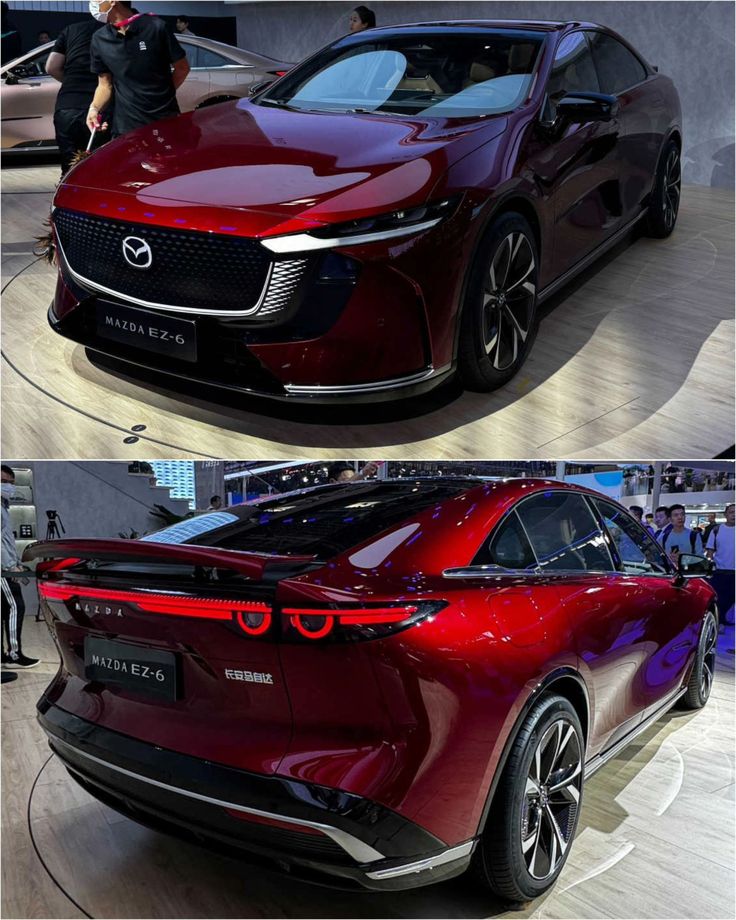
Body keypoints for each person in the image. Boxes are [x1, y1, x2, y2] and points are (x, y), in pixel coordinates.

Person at [86, 0, 190, 140]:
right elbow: (104, 85)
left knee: (166, 161)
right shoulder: (99, 38)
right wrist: (94, 109)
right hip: (125, 126)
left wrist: (163, 94)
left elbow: (182, 68)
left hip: (164, 120)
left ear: (112, 2)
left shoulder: (155, 26)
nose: (92, 3)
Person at [46, 18, 109, 175]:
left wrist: (70, 81)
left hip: (67, 106)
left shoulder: (71, 29)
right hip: (101, 106)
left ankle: (66, 196)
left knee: (69, 167)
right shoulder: (115, 31)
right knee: (99, 168)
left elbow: (51, 67)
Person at [1, 465, 39, 670]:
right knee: (16, 606)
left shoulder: (3, 506)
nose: (8, 486)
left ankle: (3, 656)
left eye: (11, 483)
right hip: (2, 570)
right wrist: (10, 566)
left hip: (6, 565)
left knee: (2, 610)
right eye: (3, 482)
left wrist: (16, 562)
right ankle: (14, 655)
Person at [706, 504, 734, 627]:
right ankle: (719, 621)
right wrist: (709, 566)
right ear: (725, 515)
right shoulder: (717, 530)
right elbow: (710, 550)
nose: (734, 514)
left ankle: (725, 619)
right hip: (720, 570)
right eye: (731, 512)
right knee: (719, 597)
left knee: (731, 597)